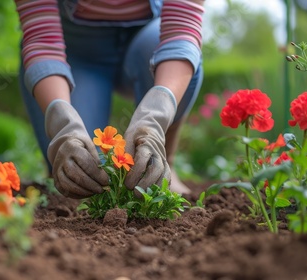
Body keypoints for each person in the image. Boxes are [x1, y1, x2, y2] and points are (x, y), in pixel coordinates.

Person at [16, 0, 204, 199]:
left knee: (156, 43)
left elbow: (181, 32)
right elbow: (42, 41)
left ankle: (163, 161)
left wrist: (156, 117)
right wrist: (63, 124)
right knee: (83, 175)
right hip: (73, 50)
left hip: (148, 42)